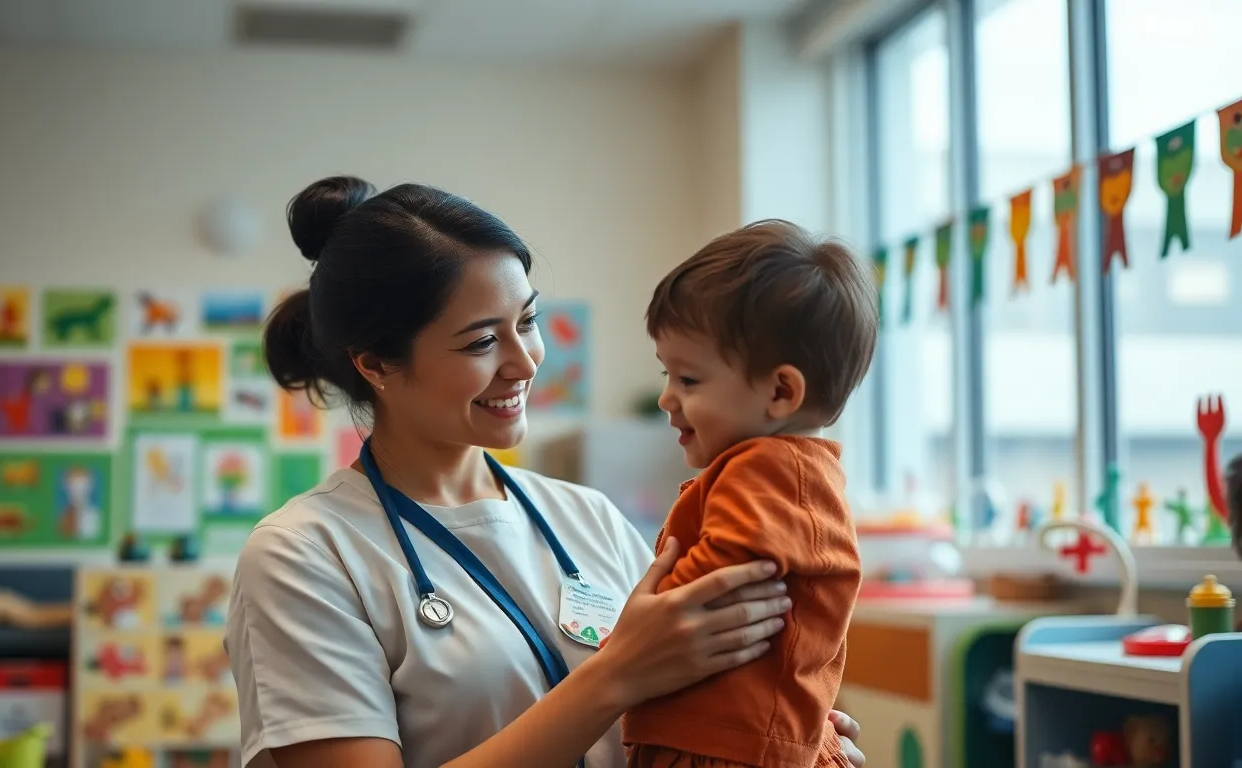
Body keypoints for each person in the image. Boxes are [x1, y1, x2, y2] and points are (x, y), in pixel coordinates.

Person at [224, 176, 868, 768]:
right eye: (481, 341)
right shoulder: (304, 554)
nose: (525, 362)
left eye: (527, 321)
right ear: (377, 366)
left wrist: (772, 724)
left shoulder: (585, 518)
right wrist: (617, 674)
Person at [620, 221, 874, 768]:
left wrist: (643, 624)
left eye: (688, 380)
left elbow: (720, 581)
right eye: (667, 374)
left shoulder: (767, 468)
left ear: (781, 392)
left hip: (718, 749)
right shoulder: (800, 472)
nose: (667, 398)